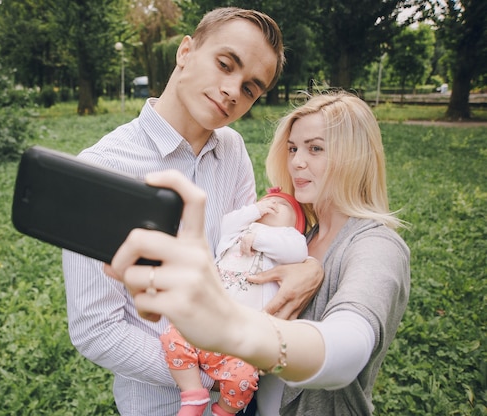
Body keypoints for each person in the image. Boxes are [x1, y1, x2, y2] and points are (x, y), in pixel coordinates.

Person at [62, 7, 324, 415]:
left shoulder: (232, 148)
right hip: (162, 404)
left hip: (242, 396)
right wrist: (218, 367)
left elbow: (241, 257)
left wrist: (310, 266)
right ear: (186, 51)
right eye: (225, 64)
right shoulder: (102, 169)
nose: (233, 91)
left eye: (251, 88)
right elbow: (97, 330)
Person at [105, 91, 411, 415]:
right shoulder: (300, 233)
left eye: (316, 148)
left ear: (356, 156)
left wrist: (233, 328)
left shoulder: (377, 246)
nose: (297, 161)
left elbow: (350, 347)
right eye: (293, 148)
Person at [161, 188, 308, 416]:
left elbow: (297, 251)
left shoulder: (288, 242)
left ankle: (226, 411)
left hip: (241, 342)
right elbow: (228, 223)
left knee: (245, 376)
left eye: (283, 205)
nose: (272, 204)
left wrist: (259, 238)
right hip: (207, 323)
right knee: (174, 336)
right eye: (266, 201)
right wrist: (253, 212)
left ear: (296, 224)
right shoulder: (235, 234)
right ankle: (193, 395)